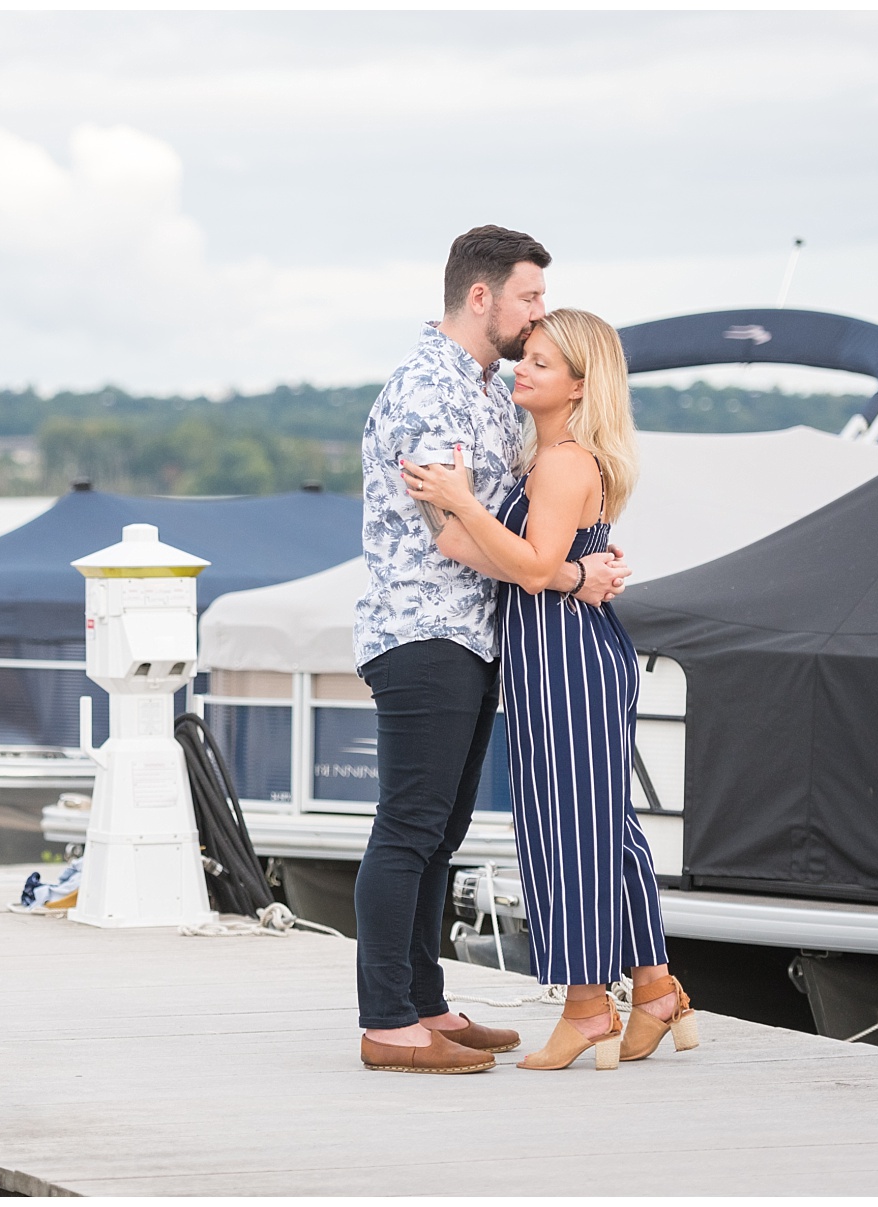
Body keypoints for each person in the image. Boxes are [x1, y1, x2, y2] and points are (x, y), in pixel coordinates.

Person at [352, 227, 631, 1075]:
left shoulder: (486, 393)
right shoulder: (424, 392)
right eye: (530, 298)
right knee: (407, 825)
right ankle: (386, 1019)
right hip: (423, 629)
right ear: (483, 297)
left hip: (477, 634)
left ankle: (427, 1000)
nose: (538, 313)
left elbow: (529, 509)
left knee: (443, 831)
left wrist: (574, 561)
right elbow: (453, 536)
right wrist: (569, 575)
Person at [402, 307, 699, 1070]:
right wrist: (446, 504)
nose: (521, 369)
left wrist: (464, 499)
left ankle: (585, 1005)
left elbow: (533, 568)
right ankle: (657, 989)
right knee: (603, 828)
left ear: (578, 384)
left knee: (566, 833)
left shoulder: (565, 462)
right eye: (524, 356)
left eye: (539, 361)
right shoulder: (551, 456)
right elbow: (490, 553)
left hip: (567, 656)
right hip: (556, 654)